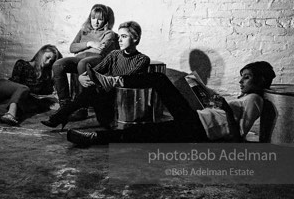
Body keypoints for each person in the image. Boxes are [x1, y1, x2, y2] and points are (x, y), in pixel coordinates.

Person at [67, 61, 276, 146]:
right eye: (242, 77)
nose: (241, 81)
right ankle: (94, 137)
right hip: (196, 123)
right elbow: (222, 116)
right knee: (145, 132)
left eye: (246, 77)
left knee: (159, 81)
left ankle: (110, 83)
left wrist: (224, 107)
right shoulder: (244, 98)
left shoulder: (255, 100)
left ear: (261, 81)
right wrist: (210, 97)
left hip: (199, 128)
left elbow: (238, 136)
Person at [41, 21, 150, 130]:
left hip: (122, 111)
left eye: (124, 36)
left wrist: (101, 80)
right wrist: (82, 77)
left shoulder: (142, 59)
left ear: (135, 38)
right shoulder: (114, 55)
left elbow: (127, 79)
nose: (119, 40)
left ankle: (60, 117)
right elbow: (95, 71)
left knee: (94, 91)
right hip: (104, 103)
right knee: (91, 90)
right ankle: (61, 117)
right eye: (119, 36)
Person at [52, 4, 118, 120]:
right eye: (93, 18)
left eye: (100, 19)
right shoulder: (84, 31)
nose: (96, 22)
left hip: (97, 59)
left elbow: (100, 50)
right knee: (58, 64)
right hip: (80, 58)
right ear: (89, 18)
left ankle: (82, 109)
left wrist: (81, 47)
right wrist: (89, 44)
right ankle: (65, 106)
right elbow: (72, 48)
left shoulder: (109, 33)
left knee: (83, 63)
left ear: (105, 20)